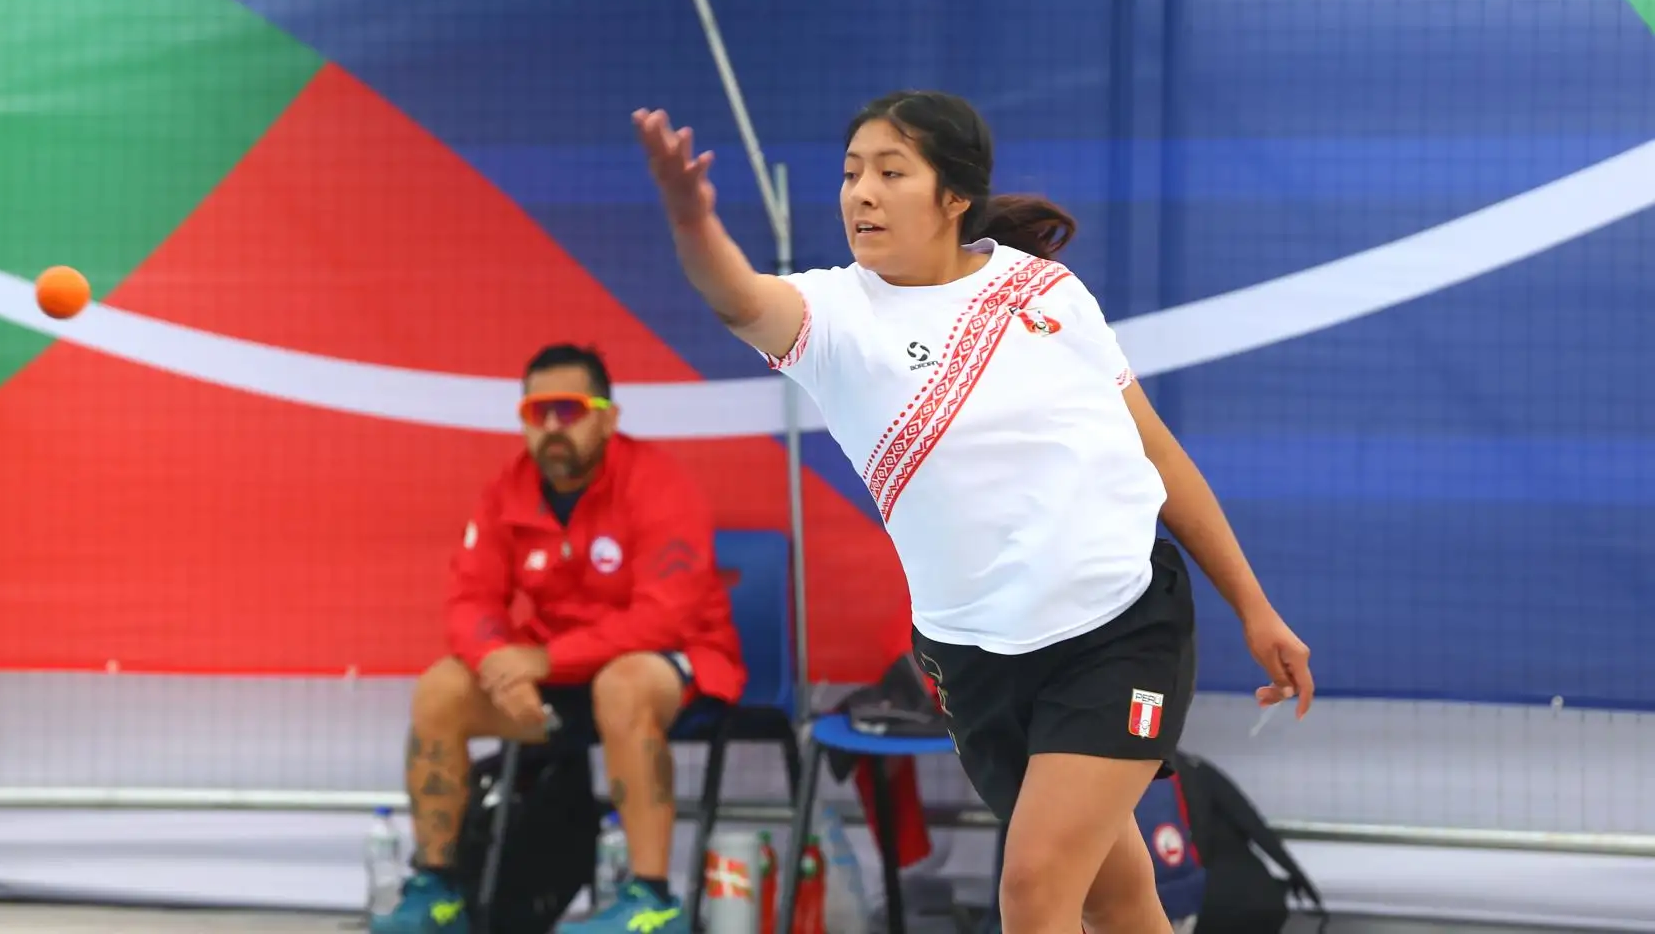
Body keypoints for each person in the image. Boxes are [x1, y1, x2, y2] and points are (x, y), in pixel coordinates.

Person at [633, 92, 1313, 934]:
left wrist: (1256, 608)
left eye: (890, 172)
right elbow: (735, 296)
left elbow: (1159, 455)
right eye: (850, 175)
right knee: (1115, 897)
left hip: (1120, 629)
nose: (861, 195)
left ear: (954, 197)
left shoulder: (1049, 292)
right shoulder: (837, 319)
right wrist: (689, 218)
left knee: (1032, 893)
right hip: (973, 663)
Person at [374, 344, 746, 934]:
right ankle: (438, 890)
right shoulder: (508, 490)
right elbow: (470, 600)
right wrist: (500, 664)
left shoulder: (658, 484)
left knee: (622, 686)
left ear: (607, 417)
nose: (551, 427)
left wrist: (542, 661)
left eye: (569, 411)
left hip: (672, 668)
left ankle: (652, 900)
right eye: (536, 412)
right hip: (557, 676)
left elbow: (663, 618)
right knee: (441, 690)